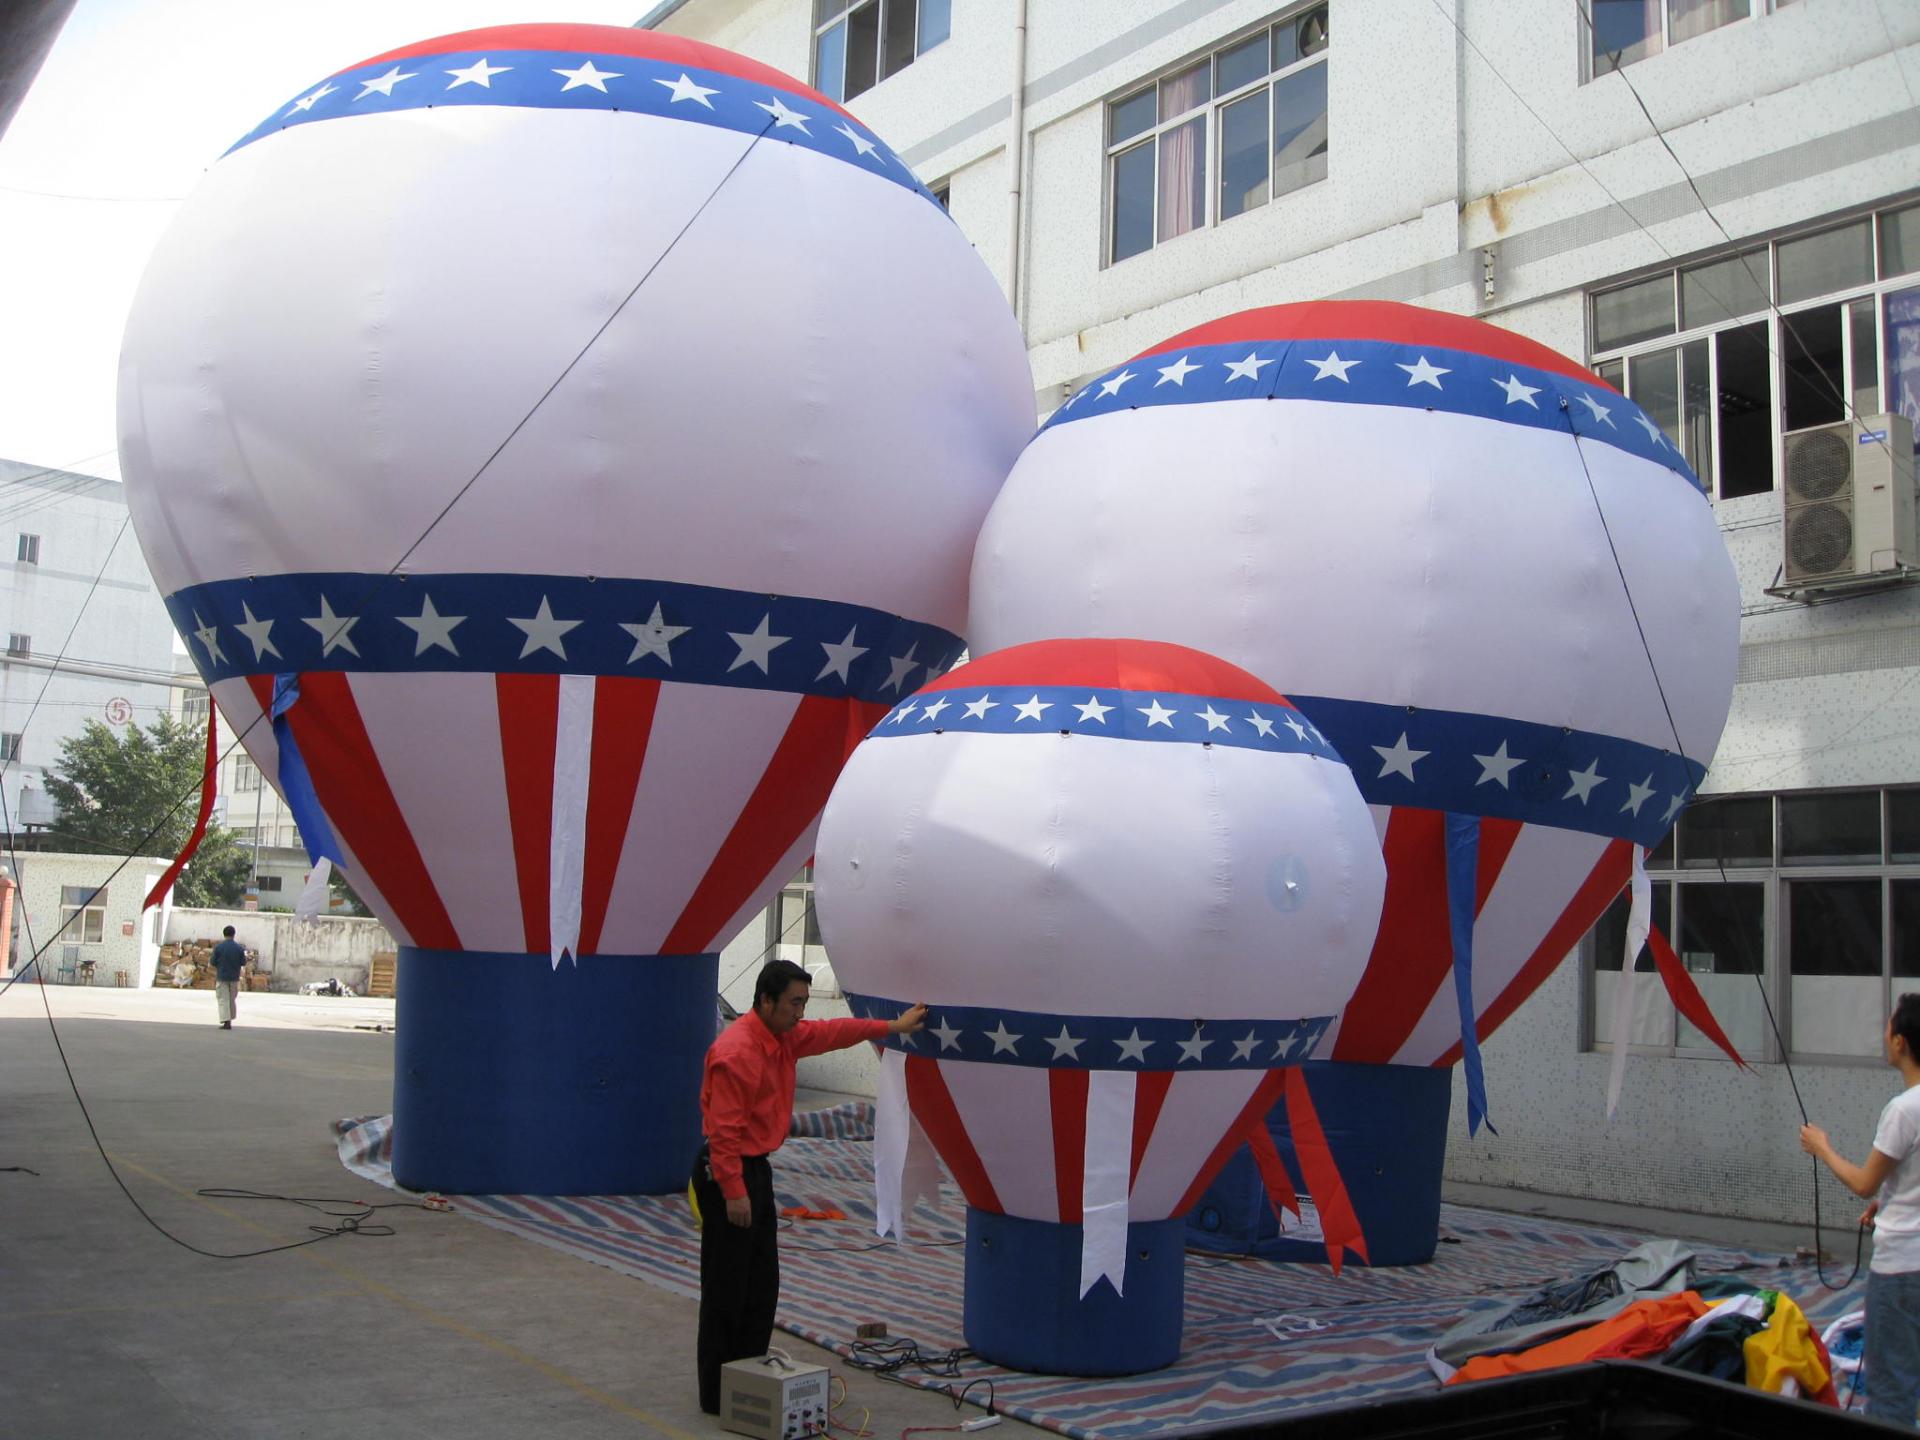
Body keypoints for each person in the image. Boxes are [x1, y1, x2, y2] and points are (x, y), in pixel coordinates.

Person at [693, 960, 925, 1414]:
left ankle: (748, 1375)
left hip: (755, 1167)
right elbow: (724, 1134)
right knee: (726, 1288)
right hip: (728, 1171)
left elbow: (835, 1030)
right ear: (765, 1001)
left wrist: (892, 1026)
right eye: (795, 1003)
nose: (802, 1012)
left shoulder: (783, 1038)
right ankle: (715, 1394)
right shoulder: (738, 1052)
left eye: (804, 1002)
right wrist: (734, 1192)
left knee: (761, 1284)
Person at [1802, 991, 1920, 1426]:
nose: (1884, 1033)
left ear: (1900, 1042)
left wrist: (1823, 1148)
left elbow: (1863, 1181)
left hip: (1902, 1270)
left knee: (1891, 1388)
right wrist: (1888, 1201)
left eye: (1889, 1027)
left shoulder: (1904, 1110)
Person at [210, 926, 248, 1030]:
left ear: (224, 934)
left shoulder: (219, 947)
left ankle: (226, 1021)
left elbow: (212, 962)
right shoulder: (239, 948)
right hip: (234, 977)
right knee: (231, 999)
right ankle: (230, 1020)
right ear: (234, 934)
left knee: (223, 999)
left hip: (222, 976)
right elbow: (243, 962)